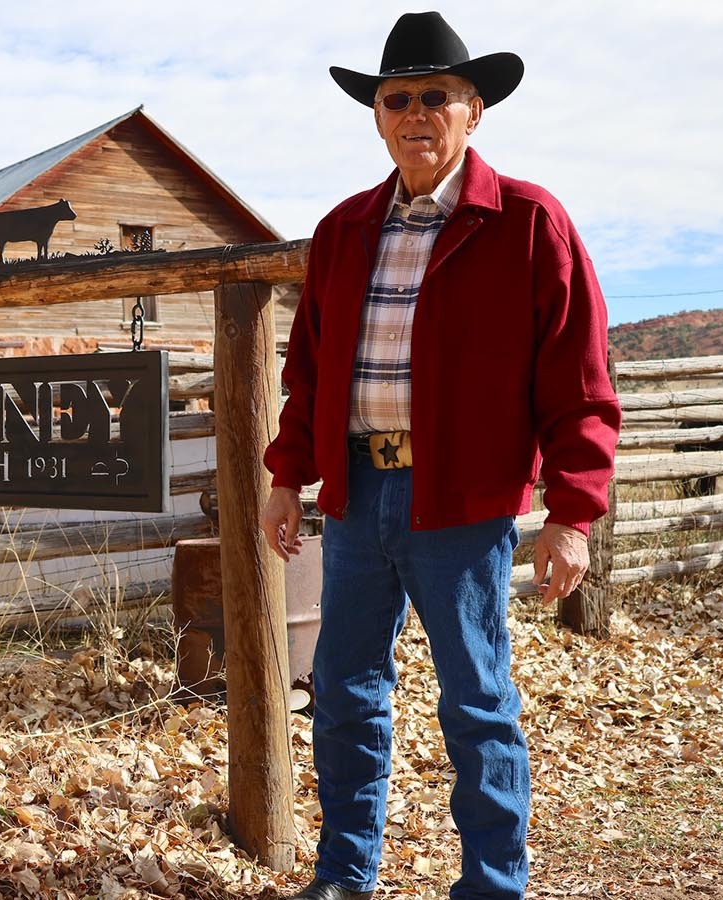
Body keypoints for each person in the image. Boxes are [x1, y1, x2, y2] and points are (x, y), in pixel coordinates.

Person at [259, 12, 621, 900]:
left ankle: (493, 887)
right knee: (344, 695)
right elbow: (308, 371)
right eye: (396, 99)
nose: (414, 113)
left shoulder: (530, 222)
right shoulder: (344, 229)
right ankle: (344, 877)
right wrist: (285, 474)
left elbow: (578, 376)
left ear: (474, 110)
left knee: (476, 703)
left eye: (435, 96)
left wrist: (572, 513)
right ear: (377, 115)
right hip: (353, 496)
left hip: (461, 505)